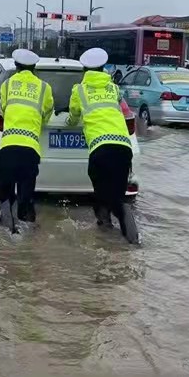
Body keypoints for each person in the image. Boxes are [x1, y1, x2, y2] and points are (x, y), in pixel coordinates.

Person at [66, 47, 140, 244]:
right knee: (118, 192)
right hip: (124, 147)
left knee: (100, 190)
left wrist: (69, 123)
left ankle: (106, 228)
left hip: (100, 148)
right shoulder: (114, 88)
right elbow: (123, 111)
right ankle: (128, 239)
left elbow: (73, 115)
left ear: (84, 69)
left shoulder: (79, 90)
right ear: (103, 68)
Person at [0, 48, 54, 233]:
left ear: (16, 66)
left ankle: (7, 237)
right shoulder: (44, 88)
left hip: (8, 148)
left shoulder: (6, 85)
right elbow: (46, 116)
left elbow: (4, 109)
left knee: (4, 197)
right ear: (35, 67)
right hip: (30, 150)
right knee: (26, 198)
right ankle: (27, 237)